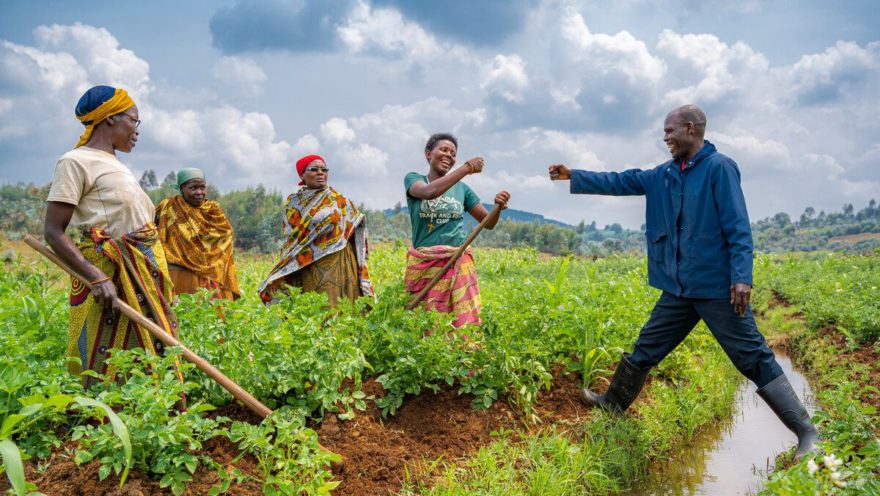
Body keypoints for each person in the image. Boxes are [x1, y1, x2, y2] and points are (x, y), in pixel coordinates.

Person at [548, 104, 819, 459]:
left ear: (690, 129)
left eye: (669, 131)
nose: (665, 138)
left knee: (751, 356)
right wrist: (574, 175)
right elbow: (621, 180)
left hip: (717, 289)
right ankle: (611, 404)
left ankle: (807, 434)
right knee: (646, 347)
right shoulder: (663, 174)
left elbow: (738, 227)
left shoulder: (719, 169)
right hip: (678, 290)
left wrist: (741, 277)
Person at [44, 85, 179, 388]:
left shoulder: (116, 166)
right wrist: (95, 276)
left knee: (147, 353)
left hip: (140, 273)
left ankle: (148, 418)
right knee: (101, 352)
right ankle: (92, 422)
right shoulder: (75, 162)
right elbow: (53, 231)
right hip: (109, 274)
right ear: (109, 119)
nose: (137, 130)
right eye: (134, 120)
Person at [404, 133, 510, 327]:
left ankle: (462, 353)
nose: (449, 156)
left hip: (457, 260)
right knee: (422, 321)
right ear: (428, 154)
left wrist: (497, 207)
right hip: (424, 262)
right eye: (443, 150)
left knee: (462, 321)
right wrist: (467, 168)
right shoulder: (414, 179)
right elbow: (430, 193)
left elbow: (488, 223)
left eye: (453, 154)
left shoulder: (463, 189)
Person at [258, 154, 373, 306]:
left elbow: (357, 228)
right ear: (302, 175)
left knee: (341, 308)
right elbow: (292, 237)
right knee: (316, 309)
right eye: (314, 169)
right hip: (309, 266)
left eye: (324, 169)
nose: (321, 173)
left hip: (340, 264)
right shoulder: (294, 204)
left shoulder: (340, 201)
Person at [155, 168, 241, 301]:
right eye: (193, 188)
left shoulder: (213, 211)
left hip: (211, 277)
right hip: (179, 275)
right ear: (182, 188)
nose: (199, 192)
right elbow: (152, 233)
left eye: (202, 187)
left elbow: (226, 238)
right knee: (182, 314)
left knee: (211, 317)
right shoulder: (169, 207)